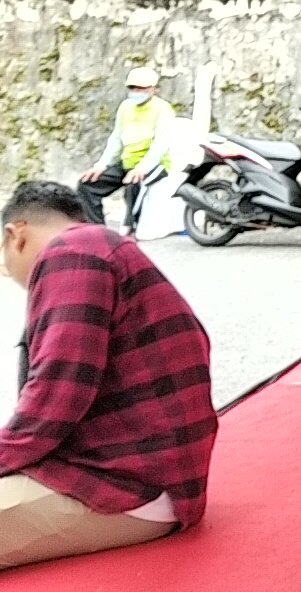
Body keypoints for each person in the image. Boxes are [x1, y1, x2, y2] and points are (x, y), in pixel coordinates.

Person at [0, 181, 216, 569]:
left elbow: (55, 396)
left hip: (124, 488)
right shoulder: (101, 246)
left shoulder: (71, 253)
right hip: (151, 477)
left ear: (16, 235)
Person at [77, 66, 175, 228]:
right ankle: (97, 229)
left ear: (153, 89)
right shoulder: (125, 107)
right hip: (127, 164)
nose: (136, 91)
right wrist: (101, 165)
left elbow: (161, 145)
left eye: (141, 88)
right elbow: (116, 139)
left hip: (154, 166)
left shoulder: (163, 109)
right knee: (88, 184)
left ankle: (131, 229)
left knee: (133, 187)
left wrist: (142, 168)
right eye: (132, 88)